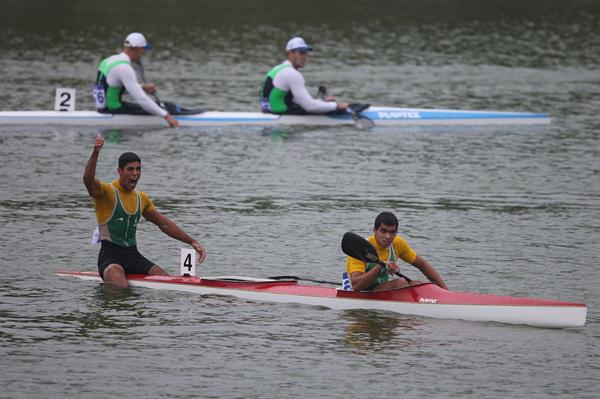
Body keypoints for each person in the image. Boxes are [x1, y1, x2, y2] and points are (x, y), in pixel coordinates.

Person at [83, 134, 205, 288]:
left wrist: (192, 241)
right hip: (110, 257)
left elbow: (164, 224)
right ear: (120, 171)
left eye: (138, 169)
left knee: (168, 284)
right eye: (130, 169)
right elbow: (88, 180)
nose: (135, 173)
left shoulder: (141, 198)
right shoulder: (107, 192)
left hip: (133, 257)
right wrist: (96, 152)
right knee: (122, 289)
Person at [93, 32, 179, 128]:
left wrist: (142, 88)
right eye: (143, 50)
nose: (143, 53)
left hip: (102, 108)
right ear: (137, 49)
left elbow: (110, 87)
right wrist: (166, 116)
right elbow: (141, 99)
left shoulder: (108, 60)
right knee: (169, 107)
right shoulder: (124, 68)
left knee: (163, 106)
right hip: (114, 109)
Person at [346, 212, 448, 291]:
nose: (388, 236)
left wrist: (446, 292)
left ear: (396, 232)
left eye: (392, 232)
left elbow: (422, 264)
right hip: (362, 292)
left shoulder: (397, 243)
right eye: (383, 231)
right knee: (401, 283)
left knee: (419, 285)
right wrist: (380, 266)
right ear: (374, 230)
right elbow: (356, 286)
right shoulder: (360, 248)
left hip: (381, 290)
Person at [260, 36, 349, 114]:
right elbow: (309, 106)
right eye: (301, 52)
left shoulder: (277, 69)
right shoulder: (292, 74)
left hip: (268, 111)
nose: (305, 56)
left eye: (306, 53)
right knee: (335, 108)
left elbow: (297, 100)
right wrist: (336, 105)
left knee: (326, 104)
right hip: (281, 118)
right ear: (290, 53)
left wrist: (324, 102)